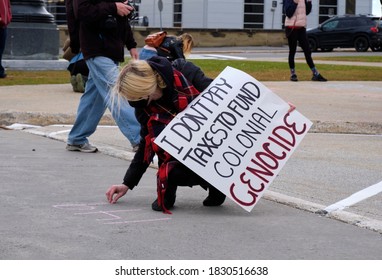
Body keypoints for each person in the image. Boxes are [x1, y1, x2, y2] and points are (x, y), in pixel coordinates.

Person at [105, 56, 226, 213]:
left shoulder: (186, 72)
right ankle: (169, 193)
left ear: (148, 89)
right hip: (181, 150)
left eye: (136, 98)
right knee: (170, 172)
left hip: (215, 141)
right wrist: (127, 183)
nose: (134, 104)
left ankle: (218, 184)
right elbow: (145, 146)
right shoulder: (143, 110)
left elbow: (223, 98)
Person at [65, 0, 141, 153]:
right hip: (96, 48)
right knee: (117, 91)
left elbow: (122, 16)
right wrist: (114, 7)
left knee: (94, 98)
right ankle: (140, 139)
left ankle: (77, 138)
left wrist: (131, 44)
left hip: (109, 49)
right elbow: (82, 12)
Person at [284, 0, 327, 82]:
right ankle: (293, 74)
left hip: (301, 28)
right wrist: (295, 2)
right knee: (292, 51)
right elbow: (288, 13)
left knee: (307, 51)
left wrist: (309, 3)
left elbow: (306, 12)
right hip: (291, 28)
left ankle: (315, 74)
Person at [0, 0, 12, 79]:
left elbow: (8, 7)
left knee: (0, 49)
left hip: (3, 25)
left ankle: (0, 71)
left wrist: (8, 18)